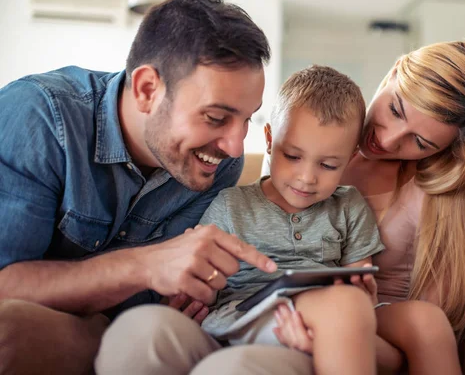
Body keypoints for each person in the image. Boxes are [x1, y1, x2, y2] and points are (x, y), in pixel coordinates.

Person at [0, 0, 278, 375]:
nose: (234, 146)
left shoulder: (217, 166)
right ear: (148, 90)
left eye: (246, 119)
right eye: (216, 117)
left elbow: (164, 305)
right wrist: (143, 266)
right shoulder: (40, 117)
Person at [96, 65, 389, 375]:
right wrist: (187, 298)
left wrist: (354, 309)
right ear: (269, 140)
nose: (306, 178)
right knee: (137, 328)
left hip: (310, 326)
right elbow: (196, 280)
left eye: (329, 165)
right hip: (236, 319)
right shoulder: (231, 204)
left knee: (343, 306)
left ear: (350, 157)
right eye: (292, 156)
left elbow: (359, 284)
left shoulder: (348, 206)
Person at [274, 40, 465, 374]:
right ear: (393, 72)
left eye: (420, 143)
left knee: (427, 322)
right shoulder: (311, 145)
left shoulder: (433, 196)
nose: (389, 140)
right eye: (395, 110)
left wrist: (342, 338)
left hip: (380, 316)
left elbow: (423, 334)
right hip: (301, 296)